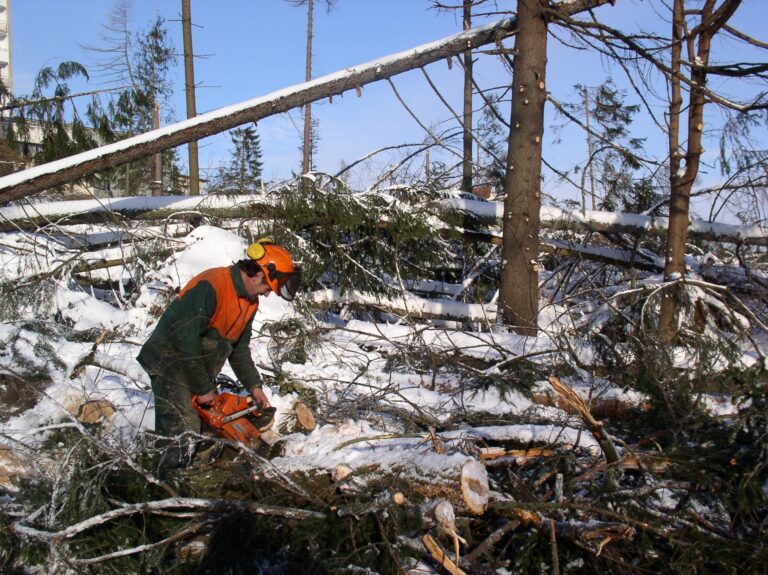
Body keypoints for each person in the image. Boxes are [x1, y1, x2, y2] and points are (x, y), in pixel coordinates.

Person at [137, 238, 300, 471]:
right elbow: (185, 339)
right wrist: (203, 388)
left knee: (210, 425)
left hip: (195, 364)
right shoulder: (212, 284)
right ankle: (165, 483)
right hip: (170, 360)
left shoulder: (249, 302)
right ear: (257, 276)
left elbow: (239, 349)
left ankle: (196, 473)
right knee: (183, 428)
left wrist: (254, 386)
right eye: (267, 288)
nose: (266, 295)